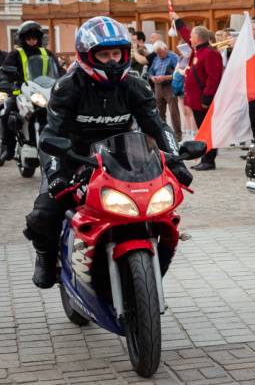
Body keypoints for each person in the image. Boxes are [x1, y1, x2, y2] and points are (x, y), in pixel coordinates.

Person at [24, 16, 192, 288]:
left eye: (117, 53)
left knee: (156, 209)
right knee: (44, 213)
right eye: (104, 55)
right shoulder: (67, 86)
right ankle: (45, 256)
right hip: (73, 157)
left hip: (122, 157)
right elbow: (52, 134)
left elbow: (157, 126)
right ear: (87, 56)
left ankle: (146, 264)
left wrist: (175, 161)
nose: (112, 61)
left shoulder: (134, 85)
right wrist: (55, 174)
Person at [0, 21, 58, 166]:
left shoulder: (47, 54)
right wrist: (6, 81)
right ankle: (8, 147)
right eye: (28, 37)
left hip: (44, 93)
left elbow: (59, 71)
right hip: (20, 91)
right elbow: (6, 71)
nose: (32, 40)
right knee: (6, 111)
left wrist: (63, 80)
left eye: (34, 37)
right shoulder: (16, 54)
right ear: (22, 39)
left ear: (39, 38)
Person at [172, 12, 223, 170]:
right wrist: (178, 21)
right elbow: (187, 36)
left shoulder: (210, 54)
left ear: (199, 39)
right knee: (202, 129)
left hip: (203, 100)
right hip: (196, 100)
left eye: (193, 37)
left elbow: (213, 78)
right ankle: (205, 157)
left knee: (207, 130)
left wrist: (207, 98)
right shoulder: (198, 51)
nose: (190, 39)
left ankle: (209, 159)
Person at [149, 41, 182, 142]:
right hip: (158, 87)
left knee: (174, 112)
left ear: (165, 49)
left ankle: (178, 135)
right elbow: (150, 72)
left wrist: (165, 77)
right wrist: (152, 77)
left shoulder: (173, 57)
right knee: (159, 112)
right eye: (157, 53)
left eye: (160, 52)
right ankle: (163, 134)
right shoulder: (156, 58)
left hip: (169, 86)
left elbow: (179, 73)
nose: (159, 55)